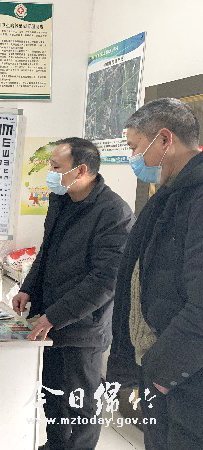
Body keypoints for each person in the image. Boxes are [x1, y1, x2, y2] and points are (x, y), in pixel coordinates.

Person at [12, 137, 133, 450]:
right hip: (49, 320)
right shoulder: (61, 199)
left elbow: (105, 280)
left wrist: (55, 315)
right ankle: (55, 445)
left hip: (83, 328)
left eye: (56, 167)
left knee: (81, 403)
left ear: (81, 170)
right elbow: (47, 251)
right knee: (52, 395)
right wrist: (28, 288)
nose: (50, 173)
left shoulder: (114, 212)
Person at [107, 98, 203, 449]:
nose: (134, 158)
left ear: (164, 139)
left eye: (135, 147)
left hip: (186, 378)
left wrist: (161, 373)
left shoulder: (197, 198)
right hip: (166, 372)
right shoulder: (172, 194)